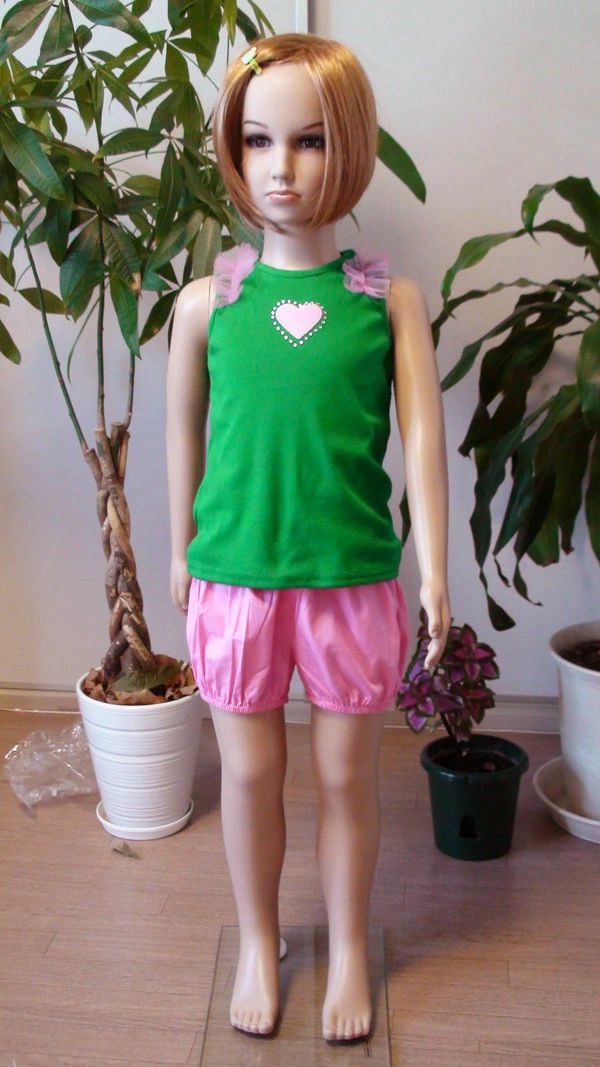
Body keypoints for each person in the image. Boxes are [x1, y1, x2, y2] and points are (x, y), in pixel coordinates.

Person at [166, 32, 450, 1043]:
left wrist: (436, 573)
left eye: (310, 139)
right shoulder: (208, 305)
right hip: (236, 579)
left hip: (350, 578)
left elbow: (424, 439)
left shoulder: (389, 302)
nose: (280, 167)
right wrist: (179, 547)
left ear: (351, 145)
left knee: (343, 776)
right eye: (257, 140)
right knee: (248, 774)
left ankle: (349, 944)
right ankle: (257, 938)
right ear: (233, 152)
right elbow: (183, 429)